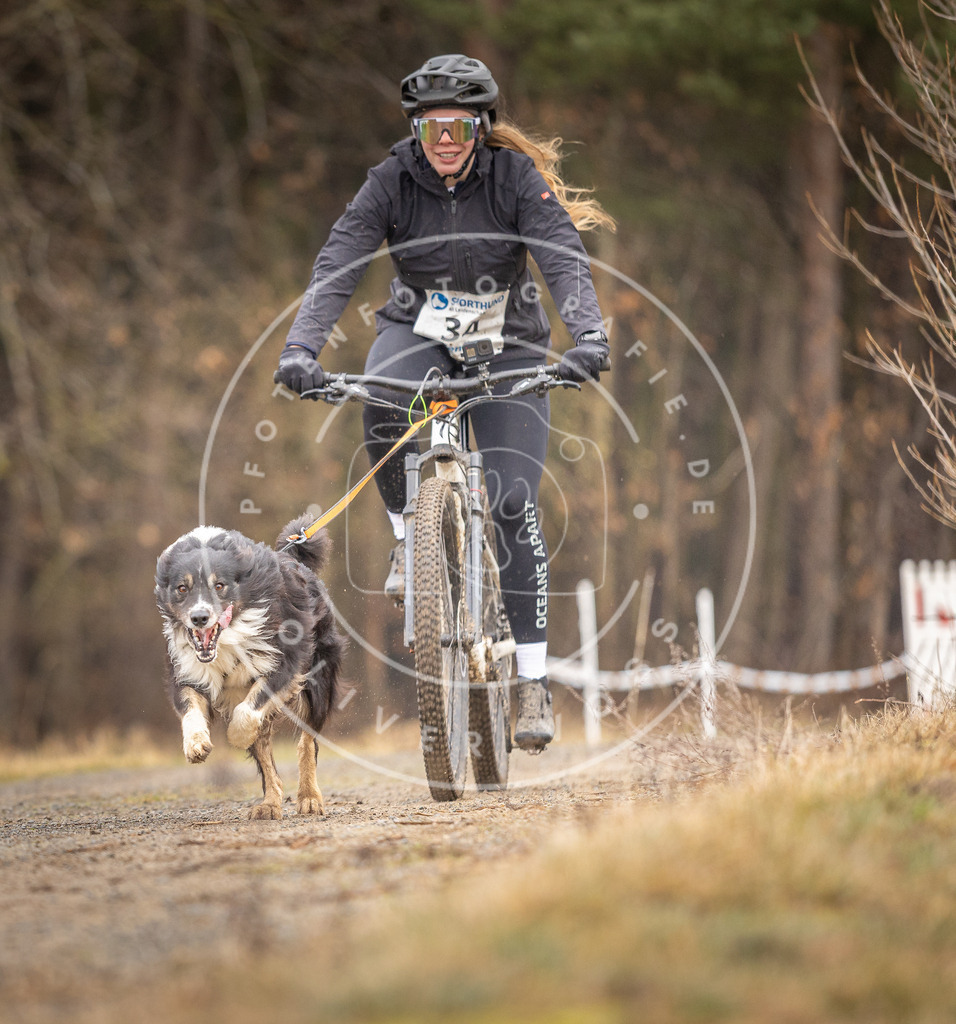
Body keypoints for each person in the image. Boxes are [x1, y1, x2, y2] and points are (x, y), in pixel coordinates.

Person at [275, 54, 614, 753]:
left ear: (481, 126)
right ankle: (411, 539)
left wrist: (589, 335)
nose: (447, 140)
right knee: (380, 398)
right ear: (416, 132)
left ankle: (531, 678)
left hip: (509, 343)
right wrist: (301, 348)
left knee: (513, 501)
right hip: (420, 332)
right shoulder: (392, 179)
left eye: (459, 126)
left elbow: (561, 254)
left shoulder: (514, 178)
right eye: (433, 129)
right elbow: (338, 260)